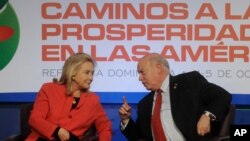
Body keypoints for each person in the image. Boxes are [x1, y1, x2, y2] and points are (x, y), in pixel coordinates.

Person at [119, 53, 232, 141]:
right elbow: (139, 137)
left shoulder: (189, 82)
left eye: (142, 72)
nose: (139, 78)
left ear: (158, 68)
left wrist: (207, 115)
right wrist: (126, 120)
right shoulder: (144, 104)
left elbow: (223, 95)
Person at [26, 53, 112, 141]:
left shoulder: (93, 100)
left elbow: (105, 128)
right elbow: (35, 119)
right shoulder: (48, 89)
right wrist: (57, 131)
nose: (91, 77)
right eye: (87, 73)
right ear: (73, 72)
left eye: (92, 73)